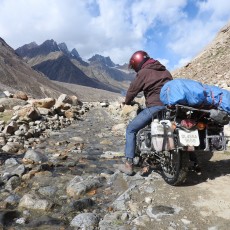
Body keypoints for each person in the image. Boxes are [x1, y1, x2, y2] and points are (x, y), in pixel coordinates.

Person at [117, 50, 173, 175]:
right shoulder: (166, 71)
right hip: (170, 108)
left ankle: (128, 164)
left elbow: (133, 90)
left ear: (137, 62)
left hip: (154, 107)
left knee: (131, 129)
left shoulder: (144, 72)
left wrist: (127, 101)